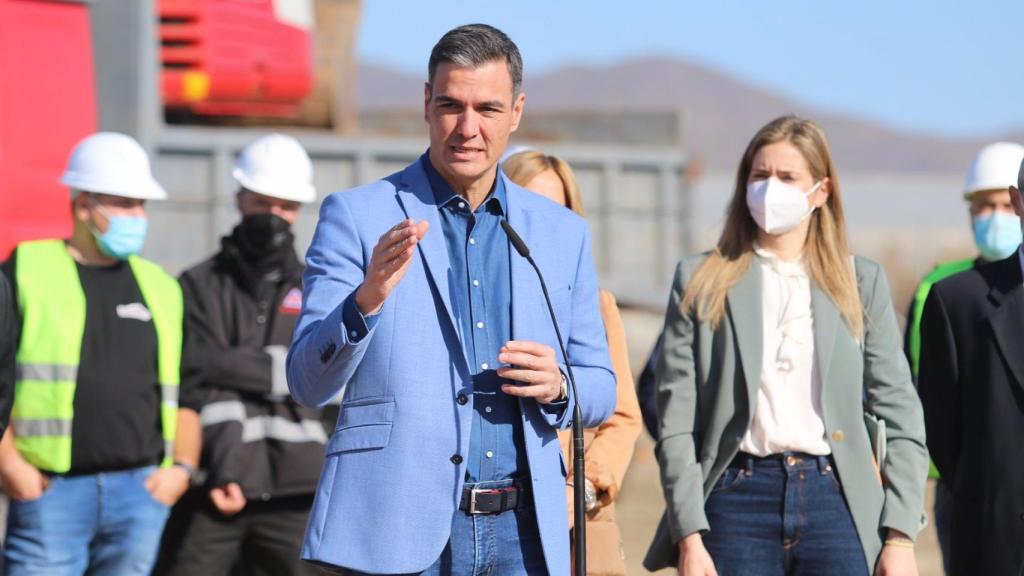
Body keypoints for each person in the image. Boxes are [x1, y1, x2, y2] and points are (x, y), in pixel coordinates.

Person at [286, 24, 616, 576]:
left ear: (516, 111)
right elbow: (306, 382)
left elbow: (601, 387)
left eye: (487, 108)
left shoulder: (561, 234)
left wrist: (560, 385)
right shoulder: (358, 216)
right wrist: (365, 301)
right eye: (450, 105)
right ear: (425, 103)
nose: (467, 128)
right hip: (397, 532)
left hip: (525, 537)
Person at [643, 116, 928, 576]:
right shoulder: (699, 280)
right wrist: (689, 536)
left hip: (837, 501)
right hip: (735, 502)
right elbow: (676, 422)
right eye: (760, 175)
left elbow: (900, 411)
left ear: (821, 191)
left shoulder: (859, 282)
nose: (770, 188)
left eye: (787, 177)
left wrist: (900, 536)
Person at [0, 132, 201, 575]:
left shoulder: (163, 287)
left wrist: (181, 471)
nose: (137, 216)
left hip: (141, 492)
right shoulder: (25, 269)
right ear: (83, 204)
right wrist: (11, 466)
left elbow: (189, 389)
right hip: (50, 492)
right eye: (124, 204)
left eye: (141, 204)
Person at [154, 134, 324, 576]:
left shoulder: (319, 290)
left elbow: (327, 379)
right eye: (261, 202)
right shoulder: (196, 284)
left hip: (298, 492)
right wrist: (285, 368)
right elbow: (194, 376)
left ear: (299, 209)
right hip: (215, 487)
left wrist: (227, 362)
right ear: (238, 198)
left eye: (285, 206)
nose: (273, 216)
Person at [504, 150, 643, 575]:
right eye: (528, 205)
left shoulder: (597, 308)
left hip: (578, 524)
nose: (542, 223)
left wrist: (579, 489)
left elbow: (622, 417)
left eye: (557, 210)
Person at [902, 140, 1024, 573]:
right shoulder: (946, 292)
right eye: (983, 206)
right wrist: (976, 477)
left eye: (1000, 206)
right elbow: (930, 397)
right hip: (976, 494)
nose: (994, 217)